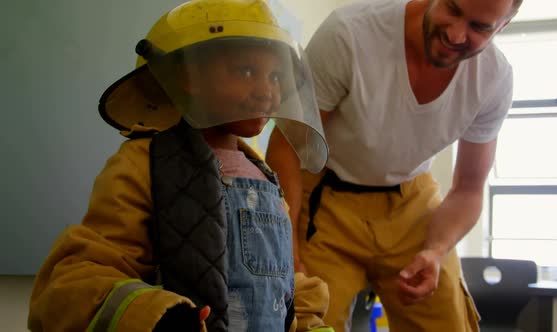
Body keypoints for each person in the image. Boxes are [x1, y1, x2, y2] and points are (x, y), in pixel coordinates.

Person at [27, 1, 333, 331]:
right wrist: (157, 317)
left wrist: (312, 325)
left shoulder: (265, 178)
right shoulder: (145, 163)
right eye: (246, 72)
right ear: (187, 76)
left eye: (276, 76)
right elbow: (77, 279)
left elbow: (282, 287)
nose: (267, 91)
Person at [266, 0, 523, 331]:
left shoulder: (494, 78)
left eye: (480, 27)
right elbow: (287, 147)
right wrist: (289, 253)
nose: (457, 35)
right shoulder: (350, 33)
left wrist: (436, 250)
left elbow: (468, 189)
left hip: (413, 202)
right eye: (453, 9)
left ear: (501, 26)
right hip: (327, 197)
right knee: (306, 317)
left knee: (449, 321)